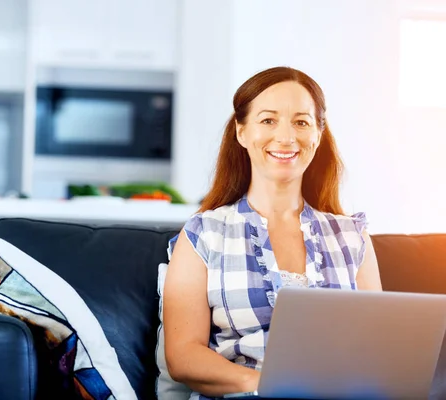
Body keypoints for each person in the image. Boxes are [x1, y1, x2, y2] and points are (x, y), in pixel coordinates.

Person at [163, 66, 383, 399]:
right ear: (242, 132)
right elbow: (183, 358)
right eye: (268, 120)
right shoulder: (203, 233)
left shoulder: (352, 236)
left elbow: (379, 348)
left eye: (301, 122)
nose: (286, 137)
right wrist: (270, 385)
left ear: (318, 134)